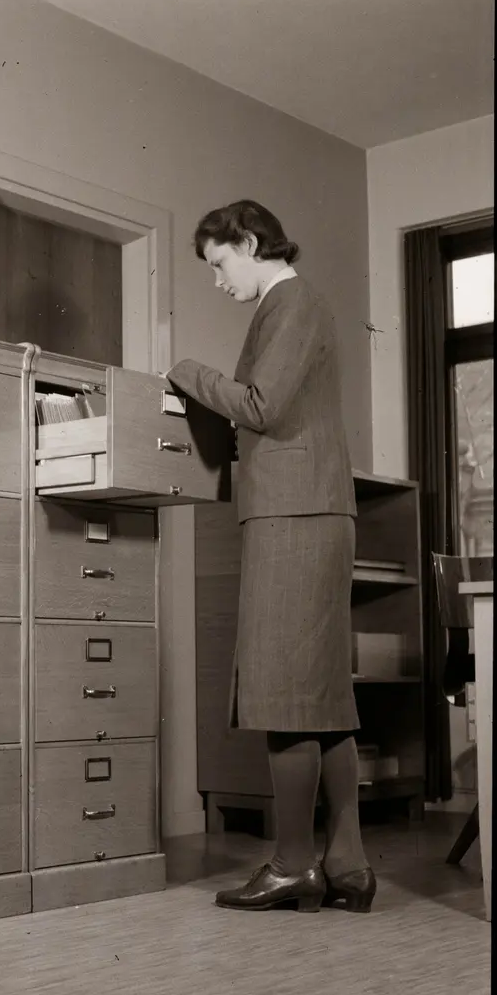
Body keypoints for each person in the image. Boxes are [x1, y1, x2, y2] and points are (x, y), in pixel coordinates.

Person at [166, 199, 375, 914]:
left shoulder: (290, 301)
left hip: (295, 514)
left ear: (251, 243)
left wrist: (187, 372)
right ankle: (347, 866)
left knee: (285, 692)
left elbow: (260, 406)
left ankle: (292, 865)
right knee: (320, 698)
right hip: (308, 509)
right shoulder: (294, 306)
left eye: (220, 264)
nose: (218, 281)